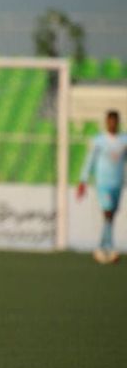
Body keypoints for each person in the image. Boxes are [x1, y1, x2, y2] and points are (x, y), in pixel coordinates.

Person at [77, 110, 127, 263]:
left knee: (111, 215)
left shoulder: (124, 140)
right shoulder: (98, 141)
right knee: (107, 211)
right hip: (102, 183)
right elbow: (90, 160)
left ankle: (102, 247)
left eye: (115, 121)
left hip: (117, 182)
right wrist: (83, 180)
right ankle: (109, 248)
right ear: (106, 122)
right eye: (110, 121)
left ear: (118, 122)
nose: (112, 124)